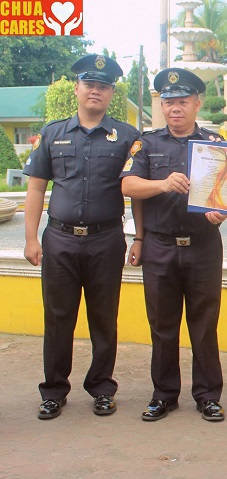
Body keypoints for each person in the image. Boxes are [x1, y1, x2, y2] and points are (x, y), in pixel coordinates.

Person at [23, 54, 140, 420]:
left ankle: (102, 388)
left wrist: (139, 237)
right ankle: (54, 390)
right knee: (58, 317)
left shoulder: (127, 137)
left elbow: (135, 191)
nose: (96, 91)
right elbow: (36, 189)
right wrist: (30, 238)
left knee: (104, 318)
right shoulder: (53, 134)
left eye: (103, 87)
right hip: (59, 240)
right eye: (90, 84)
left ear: (111, 94)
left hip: (106, 240)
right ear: (77, 89)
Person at [120, 68, 226, 422]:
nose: (175, 108)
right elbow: (128, 185)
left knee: (204, 323)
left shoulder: (214, 144)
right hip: (160, 246)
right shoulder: (147, 144)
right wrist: (162, 184)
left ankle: (208, 395)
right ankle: (164, 394)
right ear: (161, 106)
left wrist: (220, 210)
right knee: (162, 325)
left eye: (182, 102)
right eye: (169, 102)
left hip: (203, 246)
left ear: (197, 104)